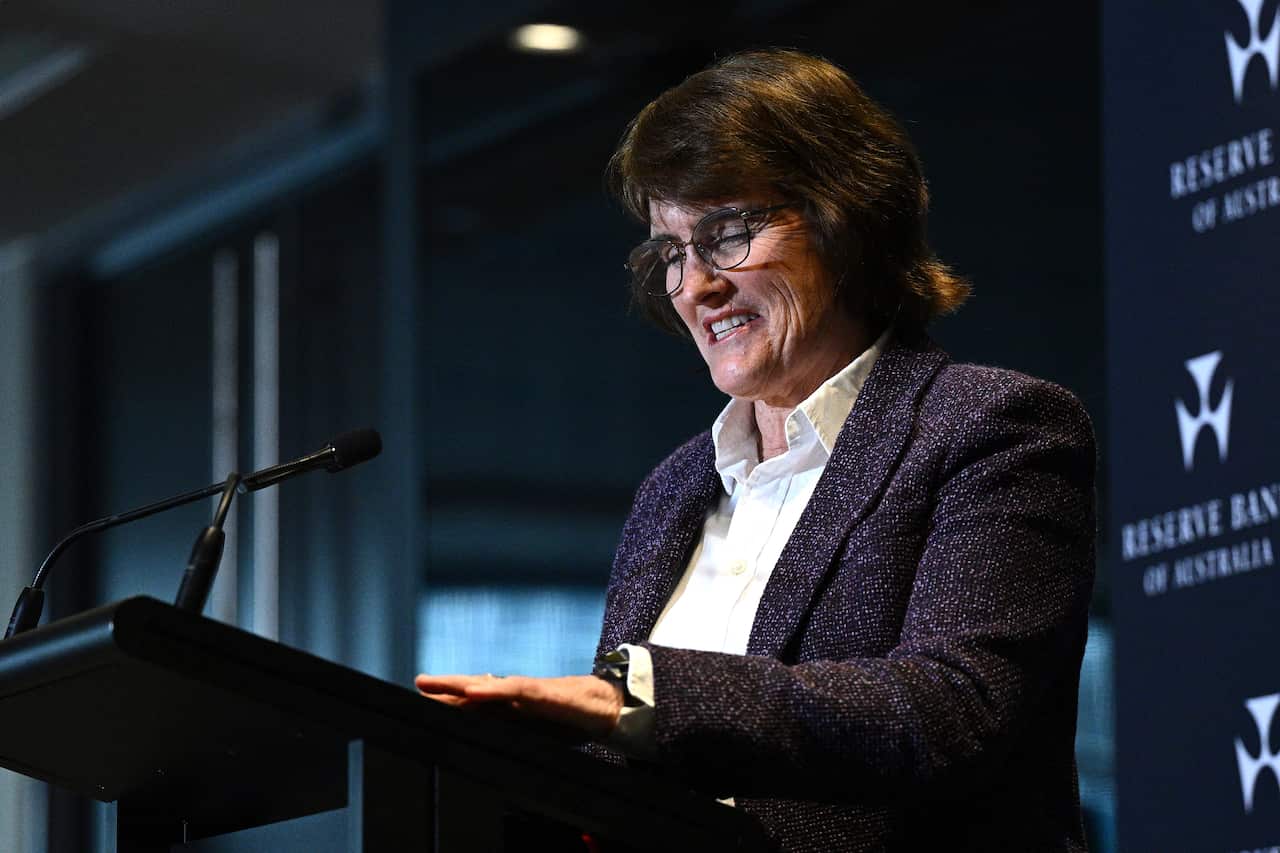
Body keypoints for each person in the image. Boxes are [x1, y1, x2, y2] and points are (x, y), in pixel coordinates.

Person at [417, 48, 1096, 852]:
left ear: (848, 217)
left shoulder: (992, 426)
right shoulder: (671, 491)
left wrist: (636, 698)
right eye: (671, 251)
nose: (695, 286)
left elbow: (952, 710)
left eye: (728, 233)